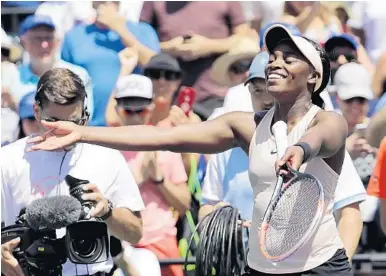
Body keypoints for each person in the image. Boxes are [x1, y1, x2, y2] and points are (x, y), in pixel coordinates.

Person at [27, 24, 352, 275]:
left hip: (320, 266)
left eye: (289, 58)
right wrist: (82, 133)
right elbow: (162, 137)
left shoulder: (327, 120)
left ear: (314, 76)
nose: (274, 63)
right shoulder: (244, 126)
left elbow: (325, 135)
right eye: (273, 57)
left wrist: (301, 150)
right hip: (263, 267)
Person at [201, 51, 365, 261]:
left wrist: (340, 267)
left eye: (271, 88)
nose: (266, 99)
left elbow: (350, 213)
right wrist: (219, 216)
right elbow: (207, 206)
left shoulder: (324, 142)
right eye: (257, 90)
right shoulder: (227, 149)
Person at [1, 68, 145, 276]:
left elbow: (135, 234)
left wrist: (108, 212)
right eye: (53, 122)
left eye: (74, 122)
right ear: (36, 111)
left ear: (86, 116)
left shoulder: (108, 157)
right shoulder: (7, 160)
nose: (64, 131)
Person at [115, 74, 190, 276]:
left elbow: (184, 204)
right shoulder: (107, 150)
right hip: (117, 243)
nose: (135, 115)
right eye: (128, 109)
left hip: (160, 241)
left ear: (151, 108)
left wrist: (159, 179)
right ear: (116, 109)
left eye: (141, 109)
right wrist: (138, 180)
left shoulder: (164, 143)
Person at [61, 1, 160, 126]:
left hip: (134, 126)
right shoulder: (73, 36)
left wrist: (118, 28)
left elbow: (155, 65)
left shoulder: (143, 31)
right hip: (88, 129)